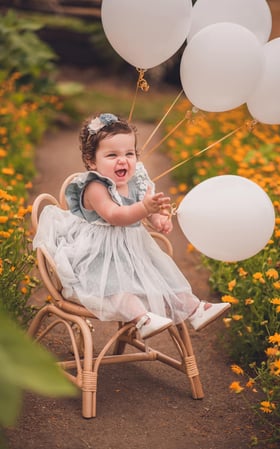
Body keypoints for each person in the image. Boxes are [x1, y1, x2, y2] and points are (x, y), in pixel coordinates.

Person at [33, 113, 230, 339]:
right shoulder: (95, 187)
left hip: (134, 254)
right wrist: (145, 208)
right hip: (98, 259)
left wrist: (159, 218)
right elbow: (116, 215)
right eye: (112, 155)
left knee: (164, 281)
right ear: (91, 161)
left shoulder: (137, 180)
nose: (123, 160)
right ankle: (142, 319)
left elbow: (151, 208)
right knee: (119, 291)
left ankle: (195, 310)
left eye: (129, 153)